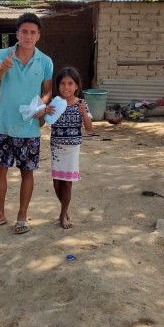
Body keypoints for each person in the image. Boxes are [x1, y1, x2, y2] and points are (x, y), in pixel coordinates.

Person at [0, 12, 53, 234]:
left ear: (38, 36)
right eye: (24, 32)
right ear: (17, 34)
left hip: (30, 128)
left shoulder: (45, 61)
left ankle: (22, 216)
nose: (28, 36)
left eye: (33, 33)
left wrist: (41, 106)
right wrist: (4, 67)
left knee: (26, 173)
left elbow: (47, 91)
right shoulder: (3, 54)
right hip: (5, 126)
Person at [47, 67, 93, 229]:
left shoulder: (81, 103)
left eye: (70, 83)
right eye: (62, 83)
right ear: (58, 86)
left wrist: (84, 113)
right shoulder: (55, 102)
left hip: (73, 148)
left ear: (76, 87)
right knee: (57, 183)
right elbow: (46, 121)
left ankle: (62, 213)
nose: (66, 87)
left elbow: (89, 128)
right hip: (57, 147)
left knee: (67, 183)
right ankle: (64, 209)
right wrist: (45, 110)